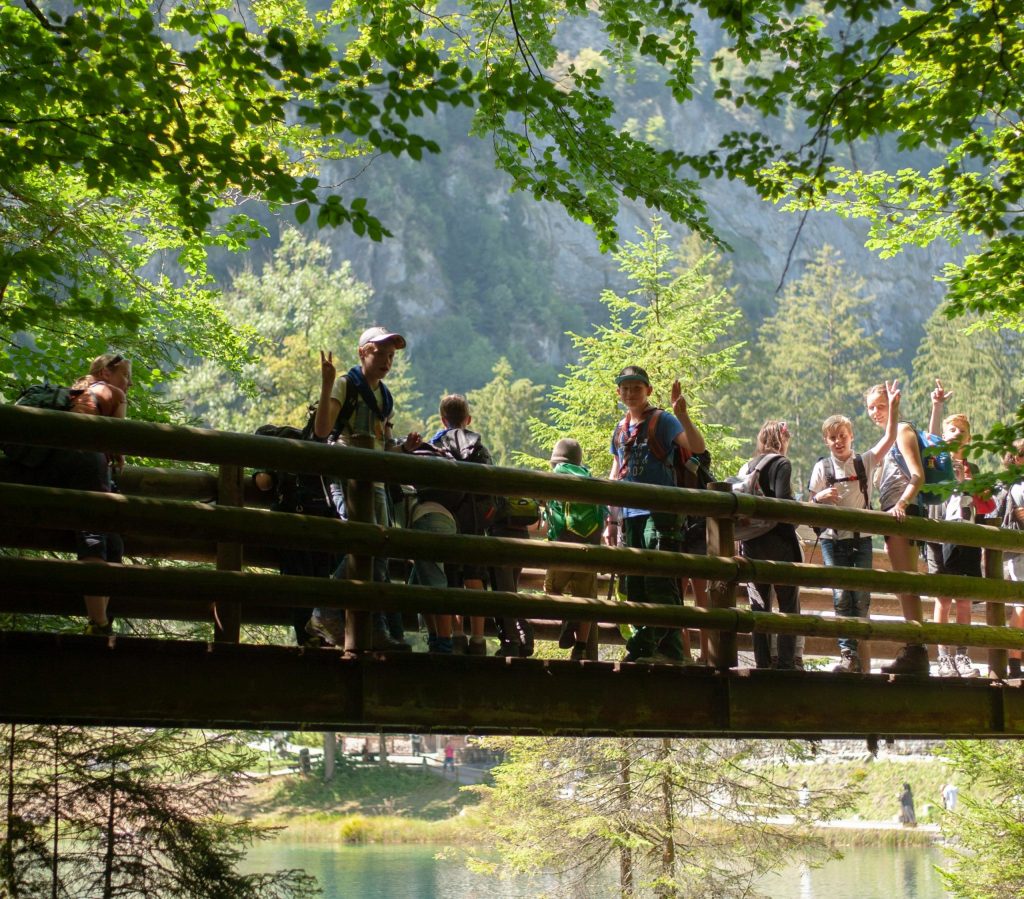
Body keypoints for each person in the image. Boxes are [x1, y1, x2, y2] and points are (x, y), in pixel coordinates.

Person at [306, 328, 421, 651]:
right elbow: (322, 430)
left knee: (379, 547)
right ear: (363, 353)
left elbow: (383, 448)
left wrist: (404, 450)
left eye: (391, 356)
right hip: (346, 474)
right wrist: (327, 381)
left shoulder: (386, 398)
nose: (387, 361)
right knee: (363, 542)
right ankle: (328, 613)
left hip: (377, 480)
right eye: (381, 353)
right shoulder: (346, 384)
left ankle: (372, 629)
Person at [608, 366, 706, 665]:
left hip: (660, 514)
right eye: (625, 388)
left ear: (648, 390)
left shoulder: (663, 420)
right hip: (629, 517)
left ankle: (657, 651)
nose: (630, 393)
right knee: (634, 585)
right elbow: (616, 473)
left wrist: (683, 414)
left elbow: (698, 448)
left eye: (637, 388)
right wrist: (611, 520)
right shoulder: (620, 428)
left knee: (661, 582)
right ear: (618, 392)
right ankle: (654, 651)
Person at [28, 353, 132, 635]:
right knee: (96, 534)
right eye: (125, 375)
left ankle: (98, 621)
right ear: (106, 373)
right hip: (86, 460)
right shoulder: (113, 393)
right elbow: (116, 442)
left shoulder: (76, 391)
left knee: (112, 543)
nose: (129, 383)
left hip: (51, 468)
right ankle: (98, 624)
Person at [807, 382, 901, 673]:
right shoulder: (822, 468)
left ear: (851, 436)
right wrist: (819, 497)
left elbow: (889, 438)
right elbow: (809, 503)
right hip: (832, 542)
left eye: (842, 436)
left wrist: (894, 410)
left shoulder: (865, 461)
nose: (838, 441)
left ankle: (857, 653)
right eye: (833, 437)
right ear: (826, 441)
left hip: (861, 541)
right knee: (840, 596)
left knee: (860, 596)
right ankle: (848, 654)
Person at [924, 389, 994, 677]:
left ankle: (963, 657)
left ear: (968, 438)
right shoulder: (938, 460)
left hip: (967, 537)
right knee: (943, 598)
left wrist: (972, 485)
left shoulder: (973, 468)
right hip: (940, 535)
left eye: (961, 430)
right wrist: (937, 406)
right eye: (950, 429)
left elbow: (986, 505)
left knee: (964, 599)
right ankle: (943, 658)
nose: (955, 433)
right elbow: (929, 440)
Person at [422, 394, 495, 656]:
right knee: (475, 577)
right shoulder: (479, 447)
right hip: (474, 518)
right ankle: (478, 639)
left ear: (442, 419)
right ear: (468, 419)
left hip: (447, 517)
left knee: (451, 576)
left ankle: (457, 636)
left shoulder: (437, 443)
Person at [866, 382, 929, 675]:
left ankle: (916, 651)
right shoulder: (891, 437)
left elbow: (917, 475)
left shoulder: (902, 430)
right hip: (895, 516)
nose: (876, 412)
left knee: (906, 582)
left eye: (881, 405)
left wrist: (902, 504)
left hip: (902, 515)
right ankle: (913, 649)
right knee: (903, 583)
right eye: (872, 407)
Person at [739, 420, 802, 670]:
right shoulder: (781, 463)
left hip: (752, 542)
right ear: (782, 439)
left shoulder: (748, 466)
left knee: (759, 605)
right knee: (788, 604)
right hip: (780, 542)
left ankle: (762, 663)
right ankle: (786, 664)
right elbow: (782, 501)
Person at [544, 438, 608, 661]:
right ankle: (581, 647)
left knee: (552, 589)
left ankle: (567, 617)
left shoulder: (555, 476)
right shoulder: (590, 478)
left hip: (561, 547)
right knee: (587, 600)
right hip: (588, 549)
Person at [995, 439, 1024, 676]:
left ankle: (1016, 662)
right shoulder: (1019, 486)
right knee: (1021, 605)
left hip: (1016, 553)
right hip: (1019, 553)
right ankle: (1014, 663)